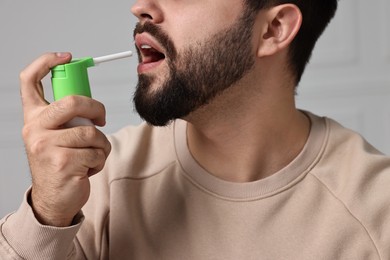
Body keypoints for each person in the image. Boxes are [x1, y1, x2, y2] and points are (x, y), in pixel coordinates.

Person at [1, 0, 389, 259]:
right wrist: (48, 214)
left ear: (273, 29)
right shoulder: (99, 180)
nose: (141, 6)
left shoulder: (376, 214)